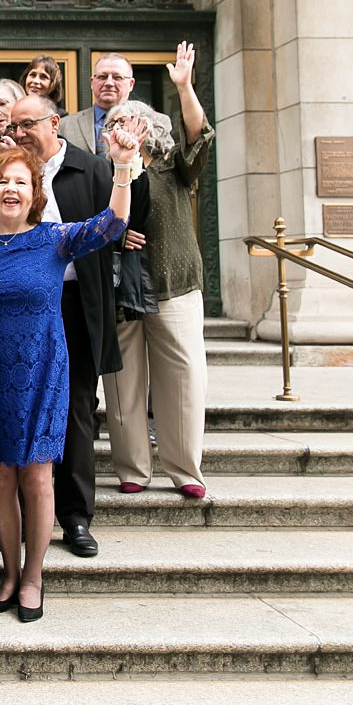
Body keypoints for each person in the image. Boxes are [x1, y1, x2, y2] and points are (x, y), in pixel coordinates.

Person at [0, 52, 149, 560]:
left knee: (74, 409)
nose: (18, 130)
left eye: (27, 123)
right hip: (12, 308)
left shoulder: (91, 167)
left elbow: (121, 218)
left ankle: (73, 518)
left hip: (78, 304)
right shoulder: (5, 168)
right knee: (13, 411)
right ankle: (13, 520)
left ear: (54, 122)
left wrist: (124, 164)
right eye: (13, 123)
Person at [0, 140, 135, 621]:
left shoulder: (55, 237)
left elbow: (113, 222)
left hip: (43, 369)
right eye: (2, 181)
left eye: (20, 182)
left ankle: (35, 578)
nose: (10, 189)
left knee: (36, 475)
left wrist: (122, 166)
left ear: (35, 192)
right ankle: (10, 575)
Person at [102, 41, 214, 499]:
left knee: (183, 376)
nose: (129, 125)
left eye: (137, 119)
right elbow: (94, 223)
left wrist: (184, 86)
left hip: (174, 282)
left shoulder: (174, 166)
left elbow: (199, 135)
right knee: (124, 380)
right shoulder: (100, 170)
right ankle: (132, 467)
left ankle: (185, 469)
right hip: (120, 287)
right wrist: (116, 231)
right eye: (119, 122)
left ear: (151, 127)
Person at [59, 53, 135, 154]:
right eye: (102, 77)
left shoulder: (151, 125)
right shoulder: (64, 126)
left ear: (131, 84)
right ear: (92, 82)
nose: (109, 83)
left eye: (117, 77)